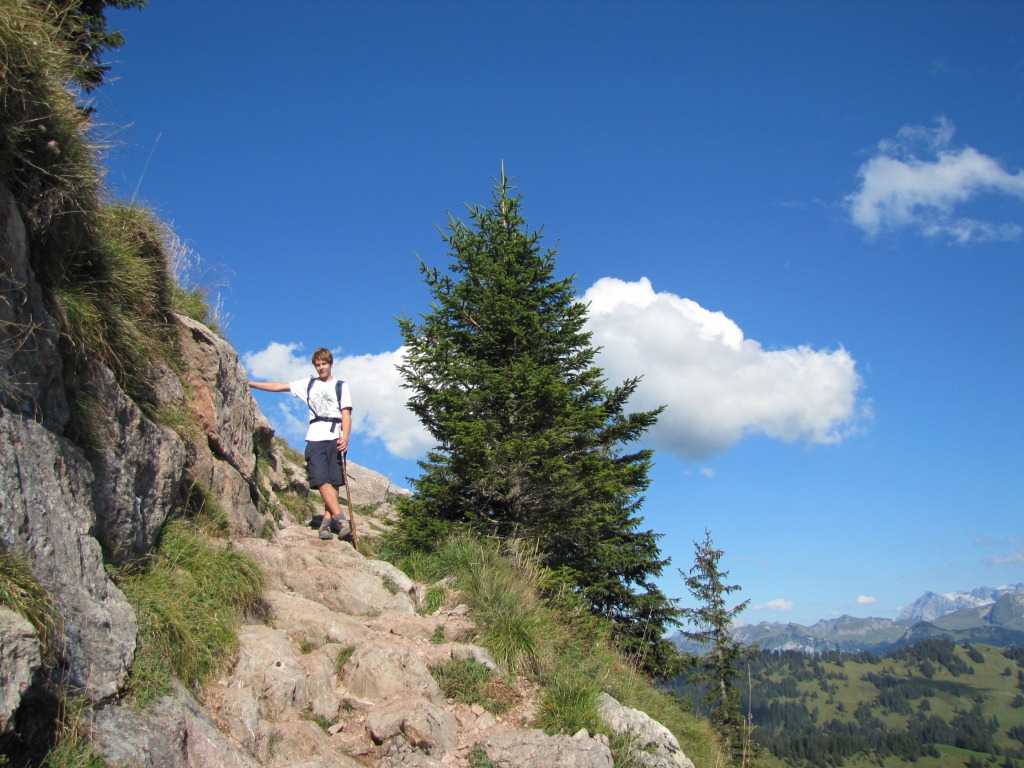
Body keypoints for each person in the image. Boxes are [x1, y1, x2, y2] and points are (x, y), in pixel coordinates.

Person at [249, 348, 353, 540]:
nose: (321, 367)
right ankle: (341, 519)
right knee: (320, 478)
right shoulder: (309, 384)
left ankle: (325, 525)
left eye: (324, 364)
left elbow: (346, 414)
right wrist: (251, 383)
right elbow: (279, 386)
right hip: (315, 435)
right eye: (318, 365)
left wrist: (345, 437)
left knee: (334, 481)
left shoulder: (340, 385)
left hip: (335, 435)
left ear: (330, 364)